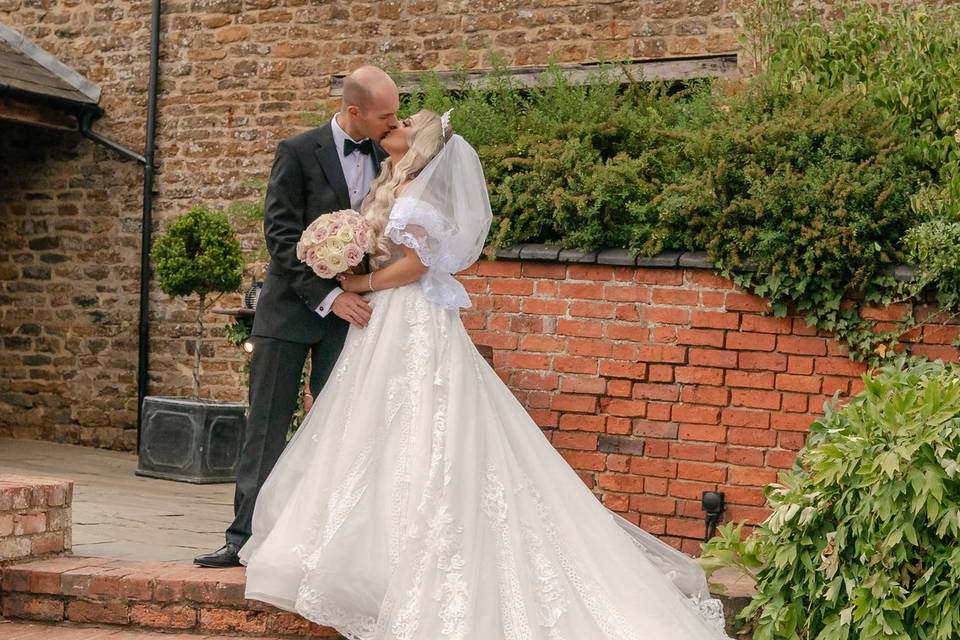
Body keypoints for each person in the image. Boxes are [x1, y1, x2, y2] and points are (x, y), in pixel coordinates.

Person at [240, 110, 731, 638]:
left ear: (421, 143)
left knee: (422, 420)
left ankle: (408, 549)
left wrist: (359, 286)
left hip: (409, 316)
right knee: (382, 423)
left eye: (404, 121)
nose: (395, 122)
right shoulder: (398, 185)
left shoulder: (418, 198)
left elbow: (416, 266)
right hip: (393, 318)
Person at [193, 66, 400, 568]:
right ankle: (243, 538)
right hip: (290, 313)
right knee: (266, 429)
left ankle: (316, 544)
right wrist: (328, 296)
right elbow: (281, 237)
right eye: (385, 115)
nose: (394, 124)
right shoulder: (297, 151)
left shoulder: (389, 161)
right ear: (354, 111)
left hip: (351, 321)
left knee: (335, 431)